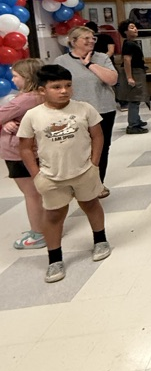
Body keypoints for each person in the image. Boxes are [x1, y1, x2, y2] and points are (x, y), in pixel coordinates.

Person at [17, 63, 111, 284]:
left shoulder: (84, 109)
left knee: (91, 204)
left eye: (68, 85)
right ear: (42, 90)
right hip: (51, 176)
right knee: (54, 215)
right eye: (56, 87)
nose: (64, 91)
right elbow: (25, 147)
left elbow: (98, 136)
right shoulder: (33, 116)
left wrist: (94, 163)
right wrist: (36, 174)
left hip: (84, 171)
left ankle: (100, 239)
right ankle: (54, 258)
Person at [57, 26, 119, 197]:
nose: (91, 41)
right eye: (86, 38)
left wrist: (90, 64)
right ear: (73, 41)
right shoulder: (61, 62)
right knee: (76, 147)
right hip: (73, 112)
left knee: (101, 147)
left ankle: (97, 184)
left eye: (93, 38)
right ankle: (77, 184)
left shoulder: (102, 58)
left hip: (102, 110)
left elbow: (112, 79)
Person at [1, 58, 45, 249]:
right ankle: (45, 227)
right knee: (38, 191)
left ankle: (38, 233)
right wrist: (5, 122)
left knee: (31, 194)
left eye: (16, 76)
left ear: (27, 78)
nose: (14, 80)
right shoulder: (42, 96)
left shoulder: (22, 101)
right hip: (36, 150)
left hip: (17, 152)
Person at [117, 20, 149, 133]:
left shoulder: (132, 43)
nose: (135, 29)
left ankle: (136, 119)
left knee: (137, 98)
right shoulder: (129, 44)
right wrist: (129, 77)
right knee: (134, 99)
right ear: (125, 32)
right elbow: (126, 60)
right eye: (131, 27)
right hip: (134, 73)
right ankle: (133, 125)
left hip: (137, 71)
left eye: (135, 27)